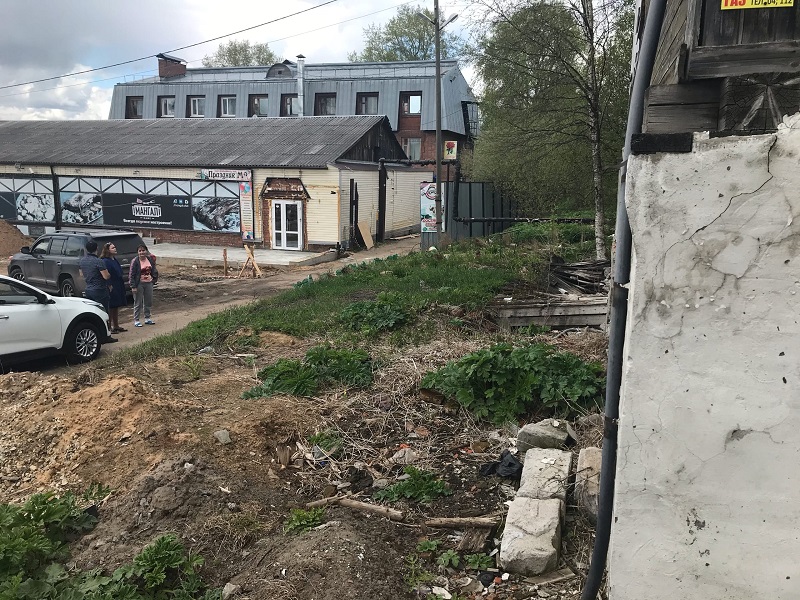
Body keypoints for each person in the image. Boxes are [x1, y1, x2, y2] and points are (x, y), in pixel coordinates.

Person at [79, 240, 117, 342]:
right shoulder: (98, 261)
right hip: (100, 289)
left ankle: (96, 334)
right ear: (97, 249)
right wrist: (109, 274)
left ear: (87, 249)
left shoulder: (82, 261)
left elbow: (81, 275)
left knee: (93, 312)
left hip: (88, 289)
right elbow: (106, 276)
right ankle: (106, 336)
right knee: (104, 312)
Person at [99, 242, 127, 333]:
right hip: (111, 285)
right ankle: (109, 327)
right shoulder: (105, 261)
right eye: (112, 248)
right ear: (107, 250)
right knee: (111, 306)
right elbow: (106, 274)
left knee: (116, 306)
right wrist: (109, 284)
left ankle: (116, 325)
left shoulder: (114, 259)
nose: (115, 249)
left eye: (114, 247)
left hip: (118, 283)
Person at [129, 244, 158, 327]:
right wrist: (133, 286)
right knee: (138, 302)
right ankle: (136, 320)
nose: (142, 252)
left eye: (143, 250)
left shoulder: (149, 259)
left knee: (148, 301)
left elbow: (154, 269)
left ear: (146, 251)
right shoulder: (135, 261)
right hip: (139, 284)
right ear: (138, 252)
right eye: (140, 251)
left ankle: (147, 318)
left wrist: (154, 279)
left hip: (149, 283)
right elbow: (131, 274)